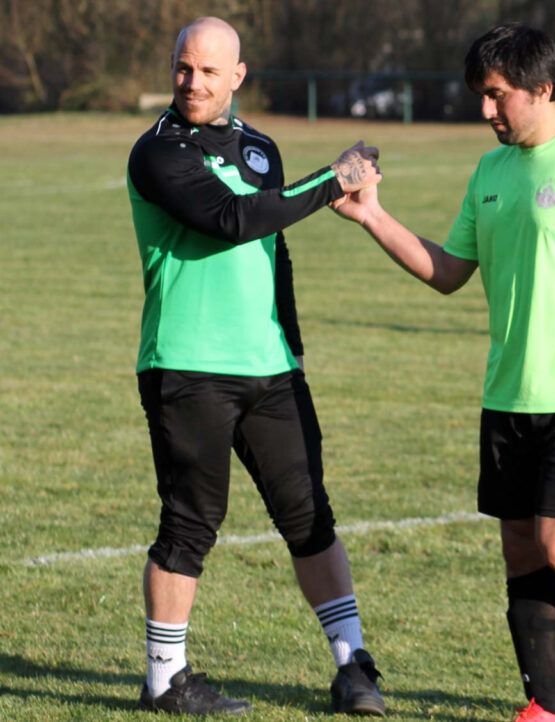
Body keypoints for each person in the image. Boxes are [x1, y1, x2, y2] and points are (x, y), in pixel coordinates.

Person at [333, 22, 555, 722]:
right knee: (523, 553)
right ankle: (546, 710)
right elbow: (450, 272)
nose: (486, 111)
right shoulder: (491, 170)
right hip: (507, 395)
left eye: (496, 96)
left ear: (542, 87)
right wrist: (373, 217)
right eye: (480, 96)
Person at [127, 16, 385, 717]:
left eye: (210, 71)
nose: (193, 83)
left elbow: (275, 253)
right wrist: (333, 182)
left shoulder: (261, 148)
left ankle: (353, 667)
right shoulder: (156, 152)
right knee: (191, 522)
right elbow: (232, 221)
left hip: (271, 369)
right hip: (186, 366)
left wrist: (292, 347)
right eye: (184, 68)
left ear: (238, 77)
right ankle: (164, 680)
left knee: (310, 516)